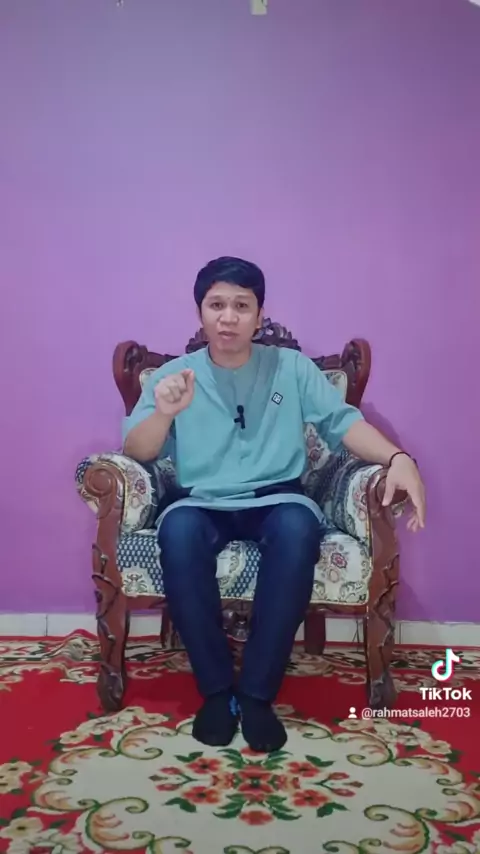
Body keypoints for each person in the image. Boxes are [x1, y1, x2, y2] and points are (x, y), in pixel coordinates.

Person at [122, 256, 426, 753]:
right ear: (200, 312)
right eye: (216, 305)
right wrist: (164, 413)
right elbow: (137, 451)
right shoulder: (174, 376)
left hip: (278, 496)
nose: (228, 317)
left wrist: (398, 457)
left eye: (242, 306)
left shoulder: (291, 368)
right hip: (202, 499)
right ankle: (217, 693)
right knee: (177, 534)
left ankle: (257, 693)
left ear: (259, 315)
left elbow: (344, 424)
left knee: (298, 529)